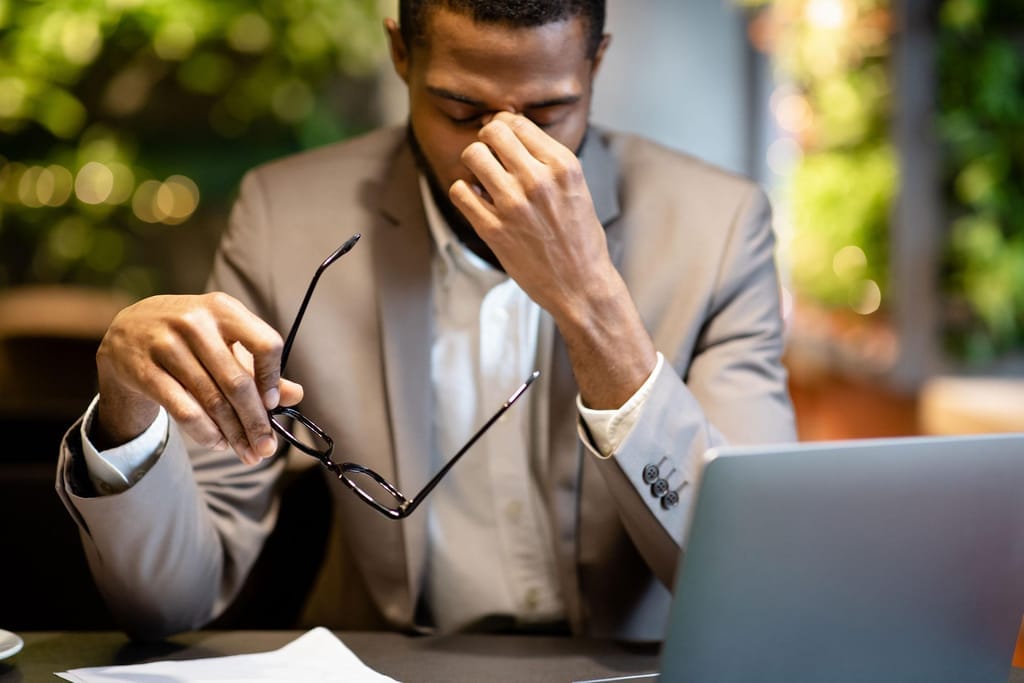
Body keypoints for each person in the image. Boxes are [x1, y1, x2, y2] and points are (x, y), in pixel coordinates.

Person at [56, 0, 795, 641]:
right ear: (400, 53)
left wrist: (591, 300)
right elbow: (170, 599)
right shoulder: (285, 219)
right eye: (461, 111)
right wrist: (128, 409)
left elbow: (756, 580)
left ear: (597, 62)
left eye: (548, 111)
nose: (499, 151)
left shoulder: (719, 227)